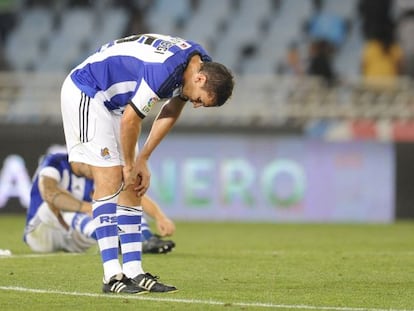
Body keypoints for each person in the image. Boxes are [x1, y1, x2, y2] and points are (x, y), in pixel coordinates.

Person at [60, 33, 234, 294]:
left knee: (134, 186)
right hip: (87, 90)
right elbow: (132, 119)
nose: (196, 105)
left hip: (115, 104)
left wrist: (143, 160)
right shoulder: (164, 70)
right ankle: (111, 276)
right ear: (200, 79)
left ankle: (134, 271)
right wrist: (130, 165)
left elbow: (171, 111)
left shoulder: (197, 64)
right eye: (200, 100)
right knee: (111, 177)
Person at [24, 152, 176, 255]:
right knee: (51, 207)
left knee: (120, 203)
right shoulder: (56, 162)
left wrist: (159, 217)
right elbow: (49, 193)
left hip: (76, 235)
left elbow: (129, 193)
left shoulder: (95, 174)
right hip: (44, 233)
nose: (97, 168)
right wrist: (88, 207)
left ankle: (146, 239)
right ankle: (115, 241)